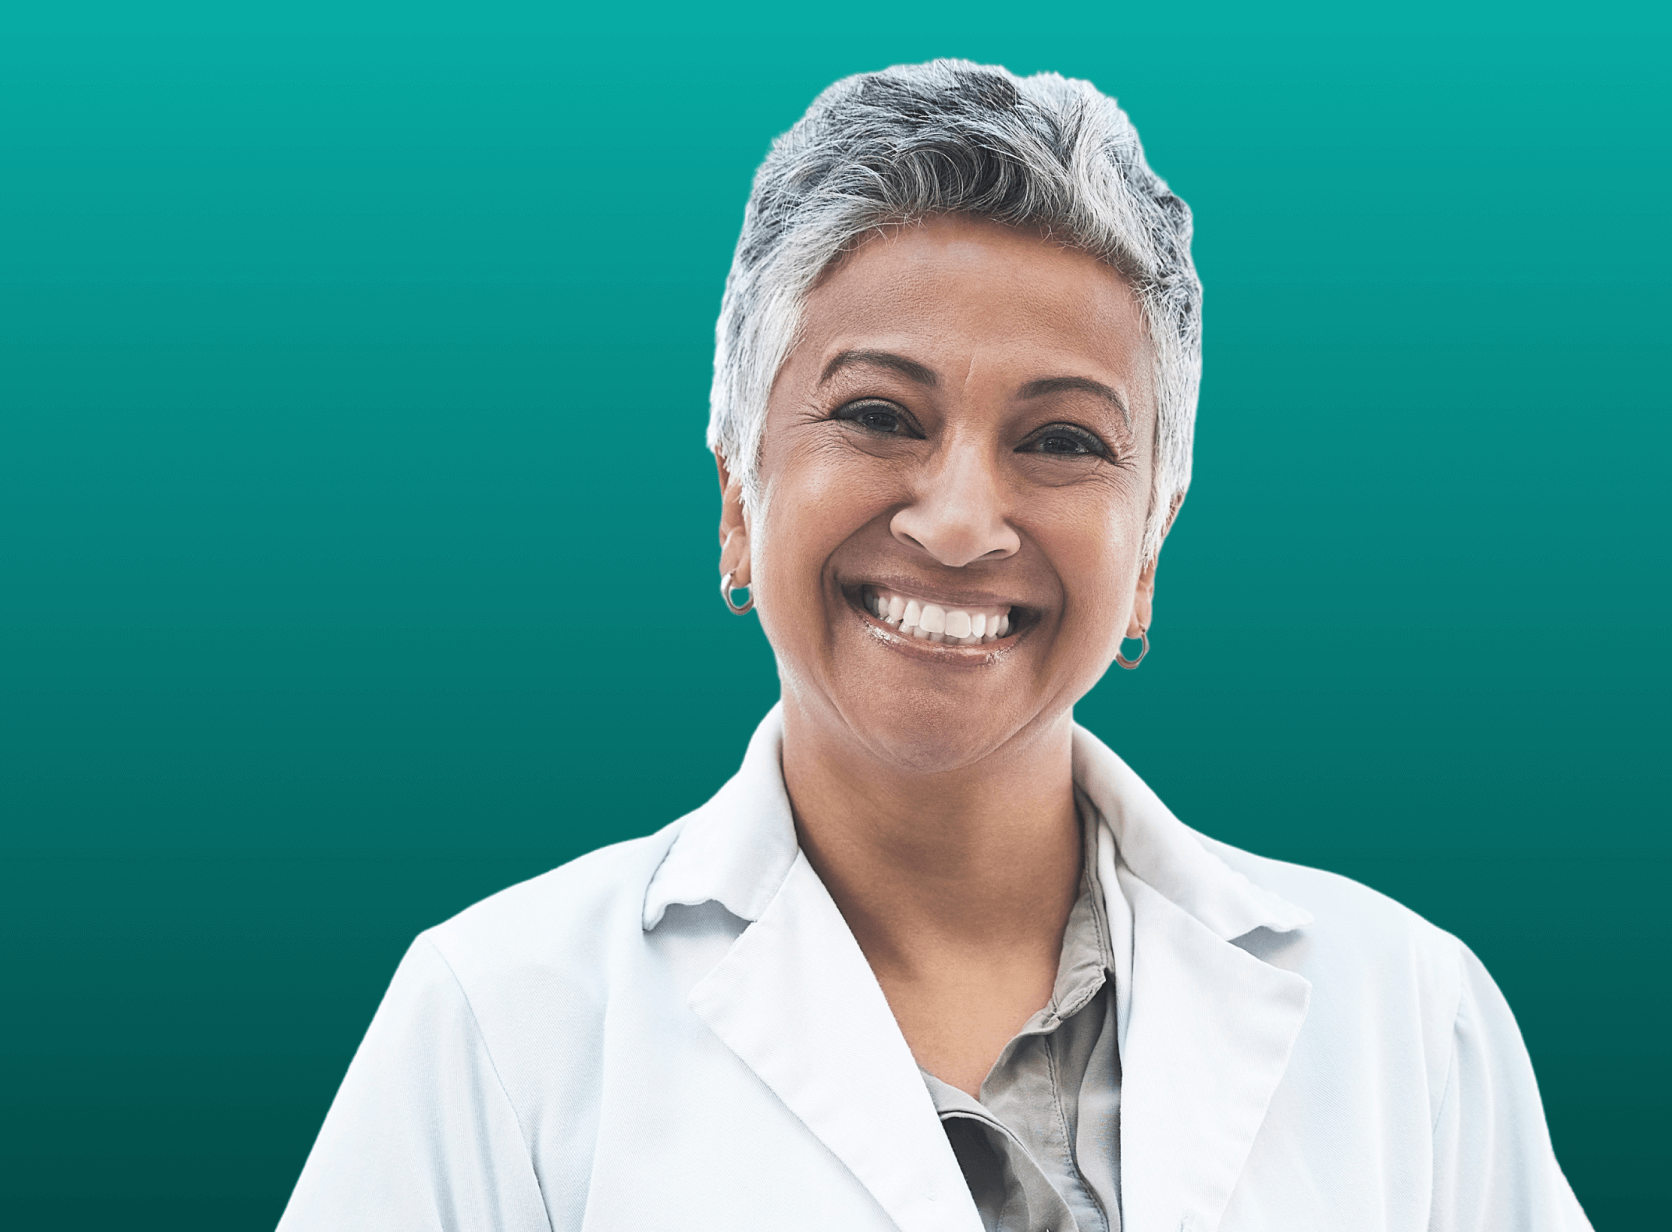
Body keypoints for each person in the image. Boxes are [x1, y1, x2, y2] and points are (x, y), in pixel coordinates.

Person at [278, 60, 1592, 1232]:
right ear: (738, 496)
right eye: (878, 415)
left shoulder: (1405, 1024)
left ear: (1149, 546)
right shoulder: (504, 1025)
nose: (961, 524)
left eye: (1062, 440)